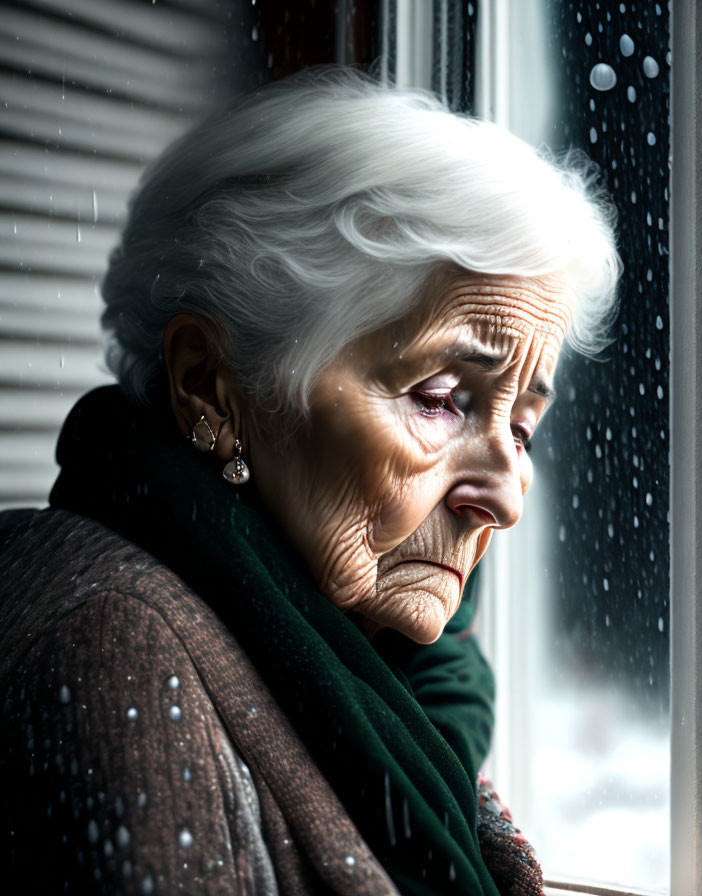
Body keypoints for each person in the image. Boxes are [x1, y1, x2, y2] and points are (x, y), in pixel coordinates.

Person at [0, 70, 619, 895]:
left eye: (520, 427)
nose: (506, 498)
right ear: (211, 387)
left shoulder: (379, 671)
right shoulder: (117, 651)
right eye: (437, 400)